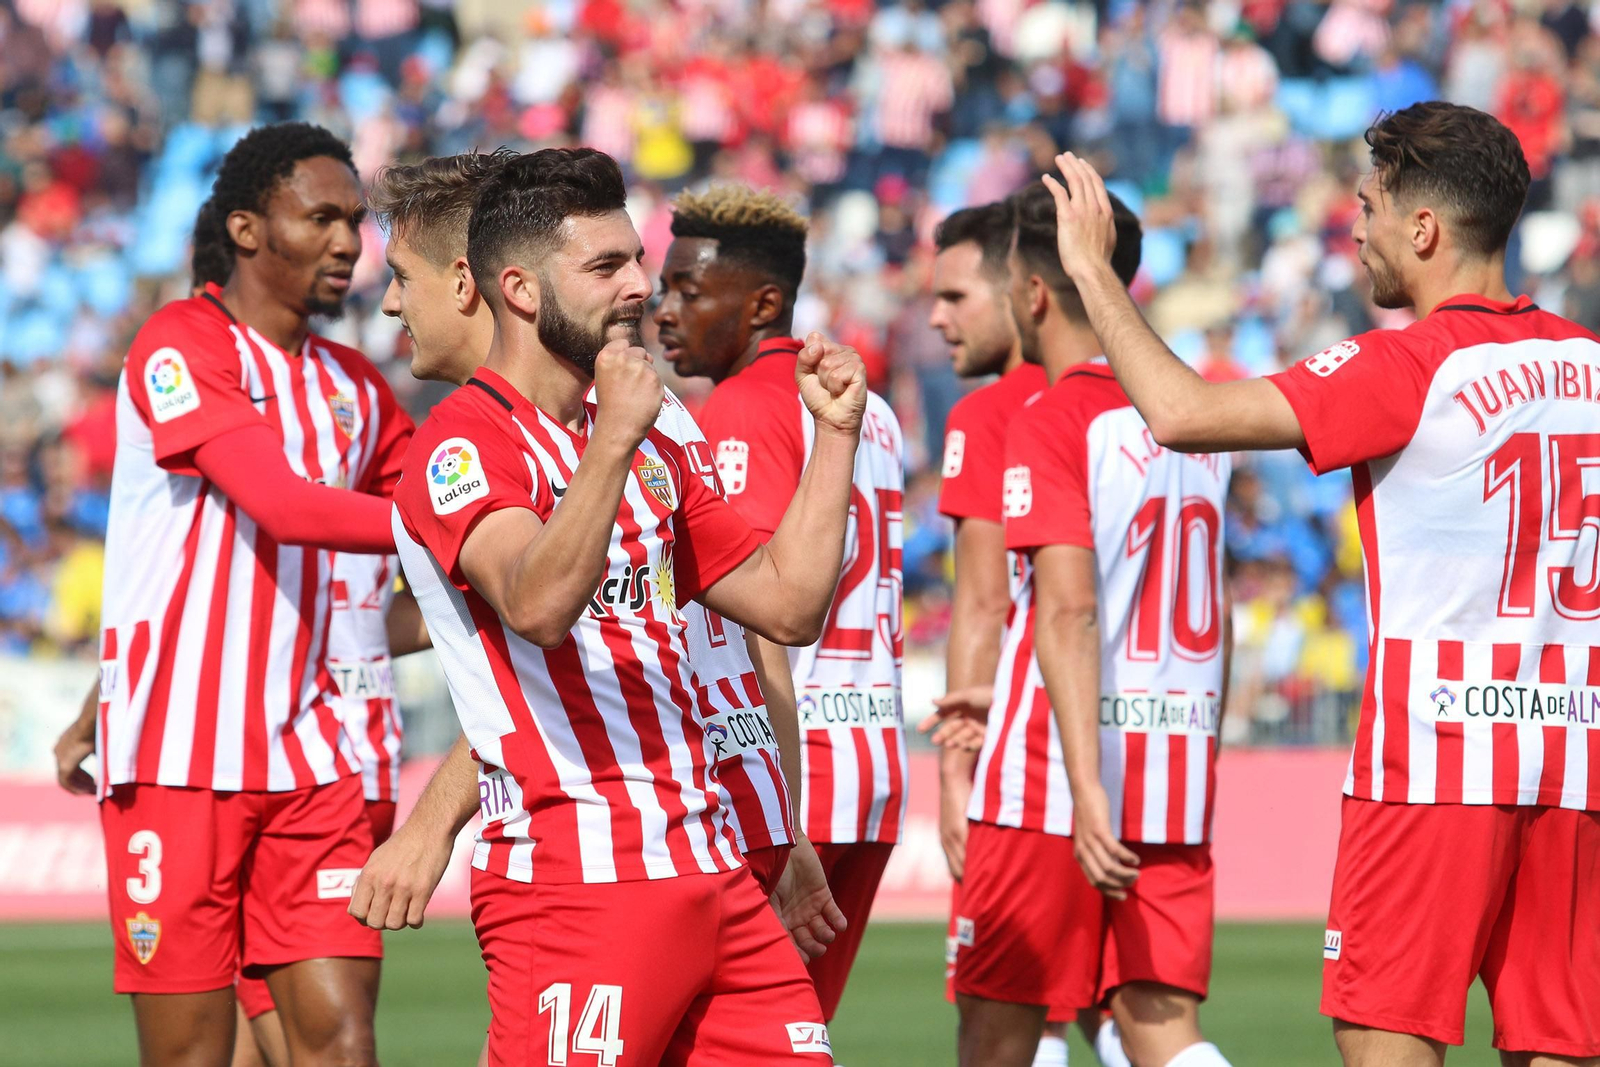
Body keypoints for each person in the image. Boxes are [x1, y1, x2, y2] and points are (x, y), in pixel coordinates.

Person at [1045, 101, 1600, 1067]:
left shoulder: (1409, 364)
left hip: (1434, 767)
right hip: (1577, 768)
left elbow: (1181, 414)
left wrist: (1092, 271)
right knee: (1560, 1050)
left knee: (1386, 1041)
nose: (1356, 229)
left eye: (1368, 207)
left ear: (1422, 229)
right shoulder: (1589, 364)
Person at [390, 147, 866, 1064]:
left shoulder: (647, 435)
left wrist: (834, 434)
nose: (642, 286)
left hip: (713, 866)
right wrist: (610, 440)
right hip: (577, 880)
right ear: (521, 290)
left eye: (638, 261)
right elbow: (535, 604)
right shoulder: (464, 444)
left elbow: (789, 604)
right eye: (608, 266)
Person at [88, 122, 413, 1067]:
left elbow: (453, 511)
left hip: (315, 754)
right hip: (179, 753)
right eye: (322, 218)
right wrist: (451, 535)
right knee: (193, 1055)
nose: (349, 242)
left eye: (356, 222)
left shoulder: (356, 387)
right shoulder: (180, 344)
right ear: (246, 228)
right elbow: (280, 505)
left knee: (341, 1042)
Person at [953, 182, 1232, 1067]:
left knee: (999, 1030)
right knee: (1161, 1029)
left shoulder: (1052, 416)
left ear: (1034, 294)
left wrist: (1085, 788)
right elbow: (1217, 609)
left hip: (1053, 778)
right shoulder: (1197, 415)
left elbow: (1067, 608)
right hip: (1172, 763)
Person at [655, 183, 908, 1022]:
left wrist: (783, 812)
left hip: (798, 769)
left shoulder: (740, 408)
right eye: (665, 289)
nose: (664, 311)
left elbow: (760, 615)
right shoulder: (868, 410)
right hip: (872, 756)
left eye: (689, 291)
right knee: (794, 1031)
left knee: (726, 1033)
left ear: (763, 304)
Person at [922, 200, 1128, 1067]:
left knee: (1007, 1011)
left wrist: (955, 770)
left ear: (1026, 290)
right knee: (1127, 1009)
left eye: (960, 295)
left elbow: (982, 603)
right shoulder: (1152, 397)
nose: (939, 318)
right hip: (1143, 745)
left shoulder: (997, 413)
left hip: (1035, 756)